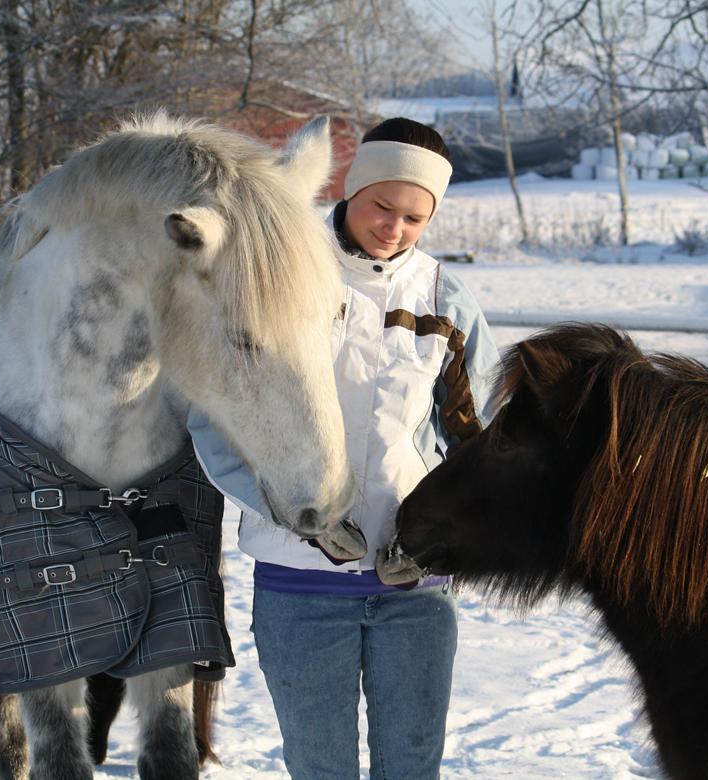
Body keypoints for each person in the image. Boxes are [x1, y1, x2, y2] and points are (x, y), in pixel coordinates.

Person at [191, 117, 500, 779]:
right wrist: (296, 515)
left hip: (414, 585)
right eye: (383, 206)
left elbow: (485, 446)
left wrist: (443, 536)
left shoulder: (445, 299)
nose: (394, 228)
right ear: (352, 186)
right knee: (320, 766)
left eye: (415, 218)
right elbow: (214, 419)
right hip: (298, 584)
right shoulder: (276, 274)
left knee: (410, 765)